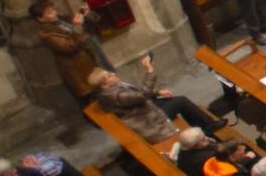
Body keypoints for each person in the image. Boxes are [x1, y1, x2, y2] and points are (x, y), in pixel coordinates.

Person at [89, 56, 221, 143]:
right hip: (147, 122)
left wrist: (157, 93)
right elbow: (141, 96)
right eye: (109, 75)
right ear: (104, 84)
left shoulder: (113, 88)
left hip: (145, 110)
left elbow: (139, 97)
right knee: (180, 101)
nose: (113, 74)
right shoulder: (113, 95)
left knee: (174, 99)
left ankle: (204, 126)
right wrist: (149, 71)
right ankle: (208, 126)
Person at [30, 0, 107, 101]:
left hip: (91, 57)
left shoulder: (61, 18)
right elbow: (68, 46)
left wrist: (87, 14)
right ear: (40, 19)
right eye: (49, 13)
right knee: (91, 99)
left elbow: (92, 24)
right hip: (77, 68)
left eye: (53, 10)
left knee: (105, 88)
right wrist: (76, 26)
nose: (55, 13)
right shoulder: (46, 34)